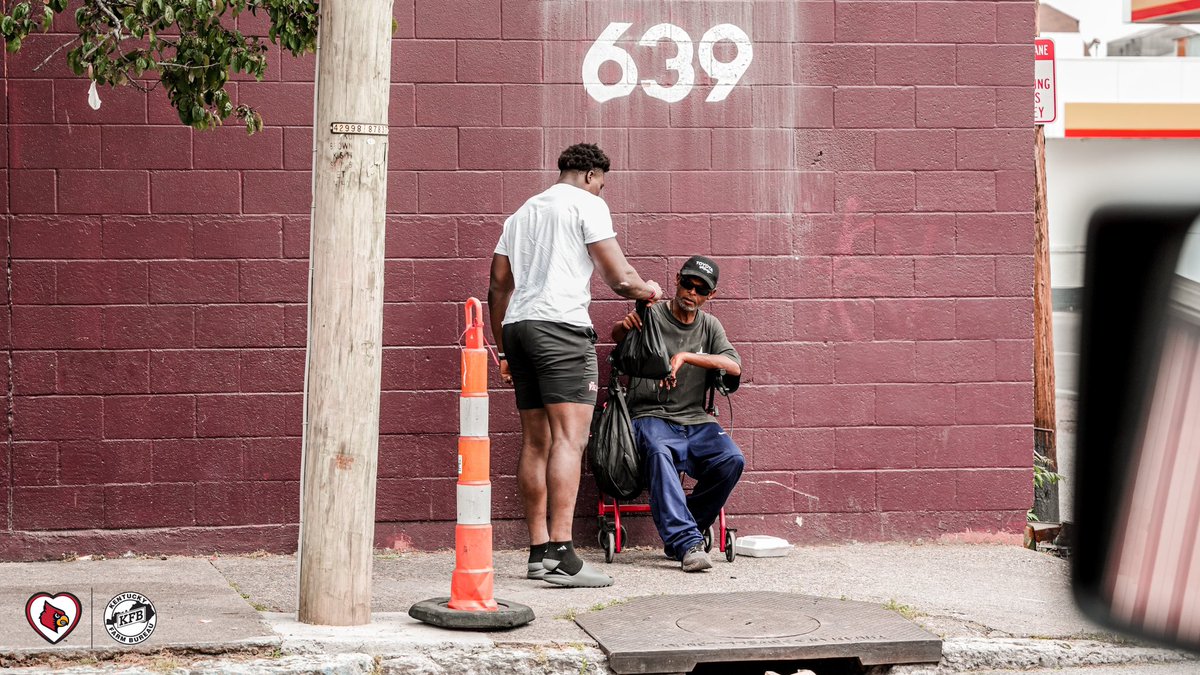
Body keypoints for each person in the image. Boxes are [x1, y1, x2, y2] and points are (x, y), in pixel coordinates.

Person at [489, 143, 662, 588]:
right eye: (602, 182)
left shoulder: (522, 213)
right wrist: (649, 290)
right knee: (570, 438)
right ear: (589, 175)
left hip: (520, 328)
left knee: (536, 441)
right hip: (560, 329)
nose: (602, 190)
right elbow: (619, 278)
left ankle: (538, 551)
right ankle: (563, 555)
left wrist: (504, 349)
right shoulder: (588, 204)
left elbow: (497, 286)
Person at [611, 256, 744, 572]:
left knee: (732, 459)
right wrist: (623, 326)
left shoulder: (709, 326)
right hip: (649, 415)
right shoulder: (653, 314)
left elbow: (734, 366)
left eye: (701, 290)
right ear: (677, 279)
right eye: (688, 283)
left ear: (710, 296)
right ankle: (687, 543)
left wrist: (685, 356)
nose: (691, 293)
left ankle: (684, 532)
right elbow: (620, 342)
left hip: (695, 419)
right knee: (658, 451)